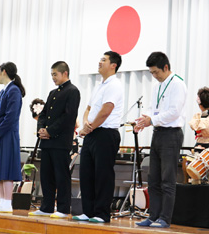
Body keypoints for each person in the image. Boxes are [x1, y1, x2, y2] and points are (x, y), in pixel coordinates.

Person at [135, 52, 187, 228]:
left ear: (166, 67)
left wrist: (152, 120)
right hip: (157, 133)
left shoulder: (177, 84)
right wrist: (144, 120)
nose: (154, 76)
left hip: (171, 134)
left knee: (167, 179)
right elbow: (152, 108)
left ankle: (165, 218)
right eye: (151, 73)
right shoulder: (158, 86)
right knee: (154, 178)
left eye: (156, 72)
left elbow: (174, 112)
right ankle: (153, 216)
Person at [73, 51, 123, 223]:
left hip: (106, 134)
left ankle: (102, 213)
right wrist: (86, 122)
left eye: (104, 60)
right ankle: (88, 211)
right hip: (92, 134)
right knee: (86, 173)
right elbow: (88, 109)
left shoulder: (114, 84)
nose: (99, 62)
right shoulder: (98, 85)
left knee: (103, 175)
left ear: (113, 65)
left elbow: (106, 111)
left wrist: (89, 127)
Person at [29, 61, 80, 219]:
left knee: (61, 175)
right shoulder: (52, 92)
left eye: (55, 74)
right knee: (46, 175)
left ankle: (64, 208)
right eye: (51, 74)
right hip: (47, 141)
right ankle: (47, 206)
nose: (53, 77)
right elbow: (43, 115)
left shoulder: (73, 91)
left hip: (60, 141)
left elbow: (69, 116)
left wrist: (50, 131)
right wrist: (41, 130)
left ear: (65, 73)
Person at [0, 62, 26, 213]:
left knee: (7, 168)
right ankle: (3, 201)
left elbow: (11, 116)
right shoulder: (4, 90)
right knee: (1, 168)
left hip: (8, 134)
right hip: (1, 134)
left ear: (3, 72)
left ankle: (7, 202)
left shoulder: (14, 90)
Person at [189, 87, 209, 151]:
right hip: (199, 145)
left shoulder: (197, 116)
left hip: (201, 146)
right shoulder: (197, 116)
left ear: (200, 105)